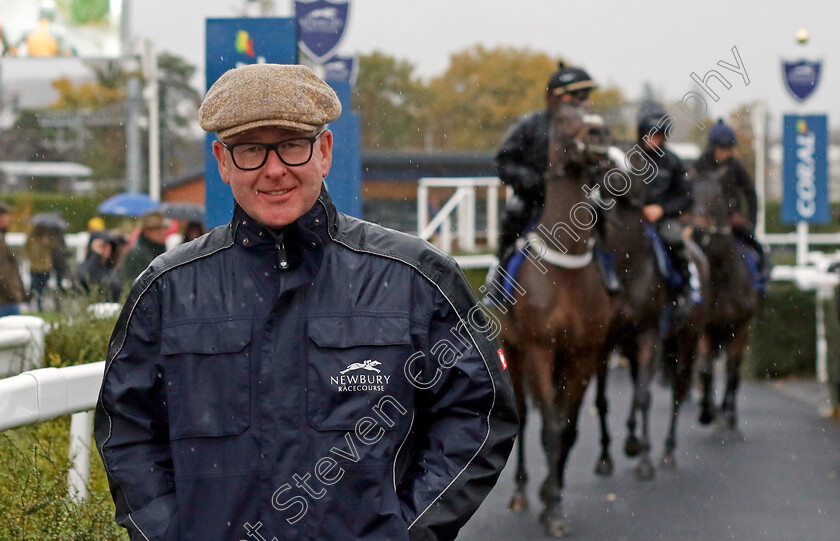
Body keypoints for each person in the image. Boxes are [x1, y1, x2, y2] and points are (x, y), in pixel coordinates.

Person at [95, 63, 518, 541]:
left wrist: (408, 530)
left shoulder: (416, 279)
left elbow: (478, 412)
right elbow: (126, 431)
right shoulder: (165, 290)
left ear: (324, 151)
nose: (274, 170)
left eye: (292, 145)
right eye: (251, 150)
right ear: (222, 160)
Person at [490, 62, 620, 295]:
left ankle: (608, 275)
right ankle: (499, 280)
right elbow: (503, 162)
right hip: (534, 200)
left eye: (586, 96)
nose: (583, 102)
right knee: (512, 217)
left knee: (601, 216)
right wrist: (532, 181)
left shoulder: (589, 127)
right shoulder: (531, 124)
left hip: (576, 201)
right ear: (557, 97)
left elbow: (599, 164)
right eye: (577, 96)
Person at [634, 103, 700, 316]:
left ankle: (684, 289)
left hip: (663, 220)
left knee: (673, 238)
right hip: (631, 219)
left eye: (658, 135)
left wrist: (661, 209)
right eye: (649, 134)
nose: (653, 139)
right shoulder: (630, 159)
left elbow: (686, 196)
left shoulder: (673, 162)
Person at [692, 118, 768, 289]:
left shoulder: (736, 167)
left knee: (757, 247)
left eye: (729, 149)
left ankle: (760, 280)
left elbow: (750, 194)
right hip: (705, 221)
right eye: (723, 149)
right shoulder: (700, 165)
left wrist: (750, 222)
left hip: (731, 218)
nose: (726, 153)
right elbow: (691, 192)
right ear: (713, 148)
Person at [118, 211, 170, 285]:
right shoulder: (137, 253)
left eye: (164, 228)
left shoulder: (160, 249)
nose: (163, 232)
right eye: (158, 229)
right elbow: (132, 283)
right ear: (147, 231)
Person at [0, 202, 26, 317]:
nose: (9, 220)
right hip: (5, 301)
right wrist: (14, 294)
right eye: (7, 216)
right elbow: (4, 272)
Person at [24, 224, 53, 312]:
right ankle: (34, 304)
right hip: (36, 268)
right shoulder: (32, 241)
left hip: (45, 268)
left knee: (41, 287)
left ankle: (38, 303)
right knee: (35, 287)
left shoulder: (47, 240)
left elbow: (52, 250)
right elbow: (29, 251)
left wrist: (47, 243)